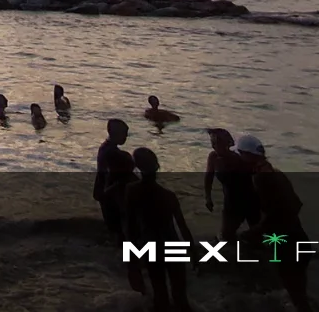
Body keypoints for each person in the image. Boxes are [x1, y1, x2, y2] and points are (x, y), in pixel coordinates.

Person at [239, 135, 313, 312]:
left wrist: (254, 231)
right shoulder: (277, 174)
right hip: (301, 239)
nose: (240, 158)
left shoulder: (260, 179)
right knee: (299, 292)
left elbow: (273, 215)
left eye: (241, 154)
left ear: (250, 156)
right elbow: (296, 204)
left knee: (295, 293)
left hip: (286, 243)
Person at [124, 148, 195, 312]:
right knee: (180, 297)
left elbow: (130, 228)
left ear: (137, 167)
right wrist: (194, 253)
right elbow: (183, 228)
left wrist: (131, 261)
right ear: (157, 166)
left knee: (160, 294)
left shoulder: (132, 191)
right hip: (173, 244)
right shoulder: (168, 195)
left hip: (151, 246)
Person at [203, 128, 258, 241]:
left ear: (227, 143)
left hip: (250, 199)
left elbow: (256, 176)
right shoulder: (213, 157)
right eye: (212, 143)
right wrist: (208, 198)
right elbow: (208, 177)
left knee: (259, 234)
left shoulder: (238, 158)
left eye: (218, 143)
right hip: (231, 201)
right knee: (226, 236)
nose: (214, 146)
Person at [94, 119, 136, 241]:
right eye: (124, 133)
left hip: (104, 191)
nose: (126, 136)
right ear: (116, 134)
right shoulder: (113, 153)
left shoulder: (105, 148)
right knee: (118, 225)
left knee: (114, 226)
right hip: (110, 193)